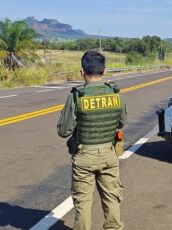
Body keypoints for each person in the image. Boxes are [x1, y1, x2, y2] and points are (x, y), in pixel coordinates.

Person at [57, 51, 127, 230]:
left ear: (82, 72)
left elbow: (63, 131)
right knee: (112, 199)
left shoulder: (77, 95)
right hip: (109, 154)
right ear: (104, 71)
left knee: (83, 203)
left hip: (84, 157)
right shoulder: (115, 93)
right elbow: (122, 122)